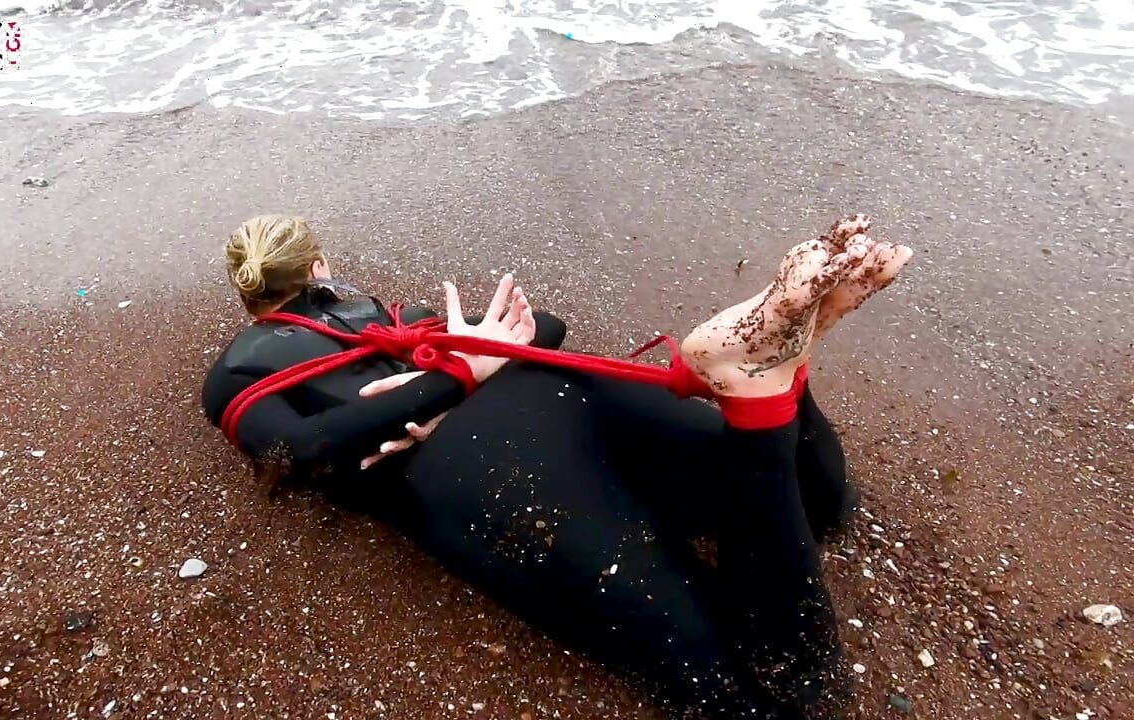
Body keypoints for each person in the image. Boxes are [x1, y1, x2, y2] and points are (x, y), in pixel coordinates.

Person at [201, 214, 913, 719]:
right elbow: (539, 331)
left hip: (472, 457)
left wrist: (454, 382)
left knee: (761, 689)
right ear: (318, 265)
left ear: (248, 292)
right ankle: (772, 386)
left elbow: (300, 450)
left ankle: (764, 381)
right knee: (816, 504)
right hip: (558, 392)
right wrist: (468, 368)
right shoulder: (397, 311)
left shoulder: (237, 371)